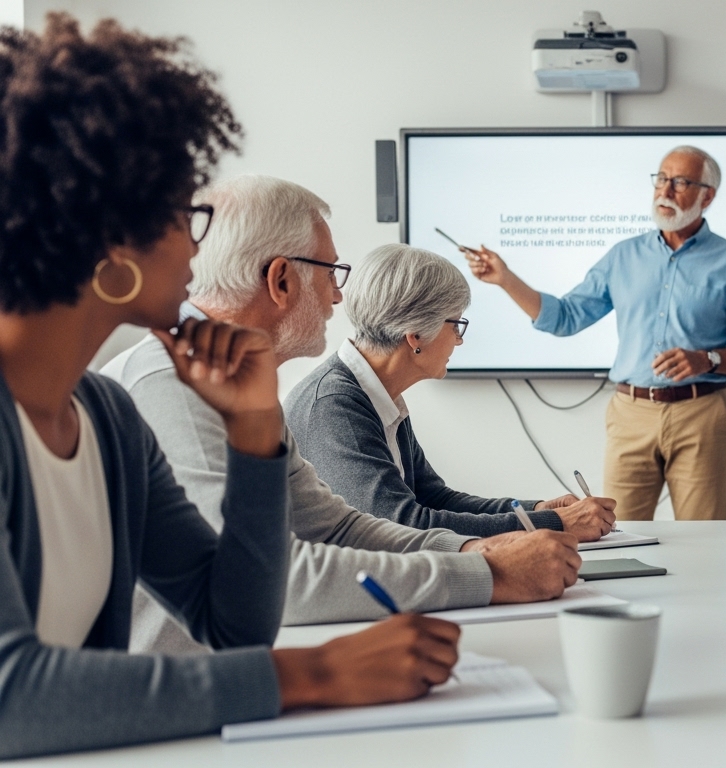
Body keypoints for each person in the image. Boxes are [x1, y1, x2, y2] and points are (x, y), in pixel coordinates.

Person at [0, 15, 461, 758]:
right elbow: (12, 698)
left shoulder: (107, 419)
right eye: (186, 215)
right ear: (107, 234)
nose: (198, 241)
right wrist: (312, 675)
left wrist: (255, 433)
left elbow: (235, 625)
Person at [102, 175, 582, 650]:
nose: (338, 296)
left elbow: (337, 528)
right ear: (281, 280)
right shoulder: (173, 385)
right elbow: (274, 581)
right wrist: (487, 573)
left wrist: (473, 549)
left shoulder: (237, 379)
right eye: (332, 273)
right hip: (188, 701)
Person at [464, 146, 726, 520]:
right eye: (661, 178)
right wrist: (505, 279)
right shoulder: (623, 256)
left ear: (707, 195)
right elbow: (566, 317)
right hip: (631, 413)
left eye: (681, 182)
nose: (666, 190)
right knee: (616, 532)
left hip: (702, 413)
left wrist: (706, 358)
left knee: (702, 535)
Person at [286, 244, 617, 540]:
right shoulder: (336, 405)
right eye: (455, 324)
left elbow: (434, 498)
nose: (459, 340)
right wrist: (553, 522)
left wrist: (538, 508)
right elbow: (403, 526)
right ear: (415, 335)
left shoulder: (376, 392)